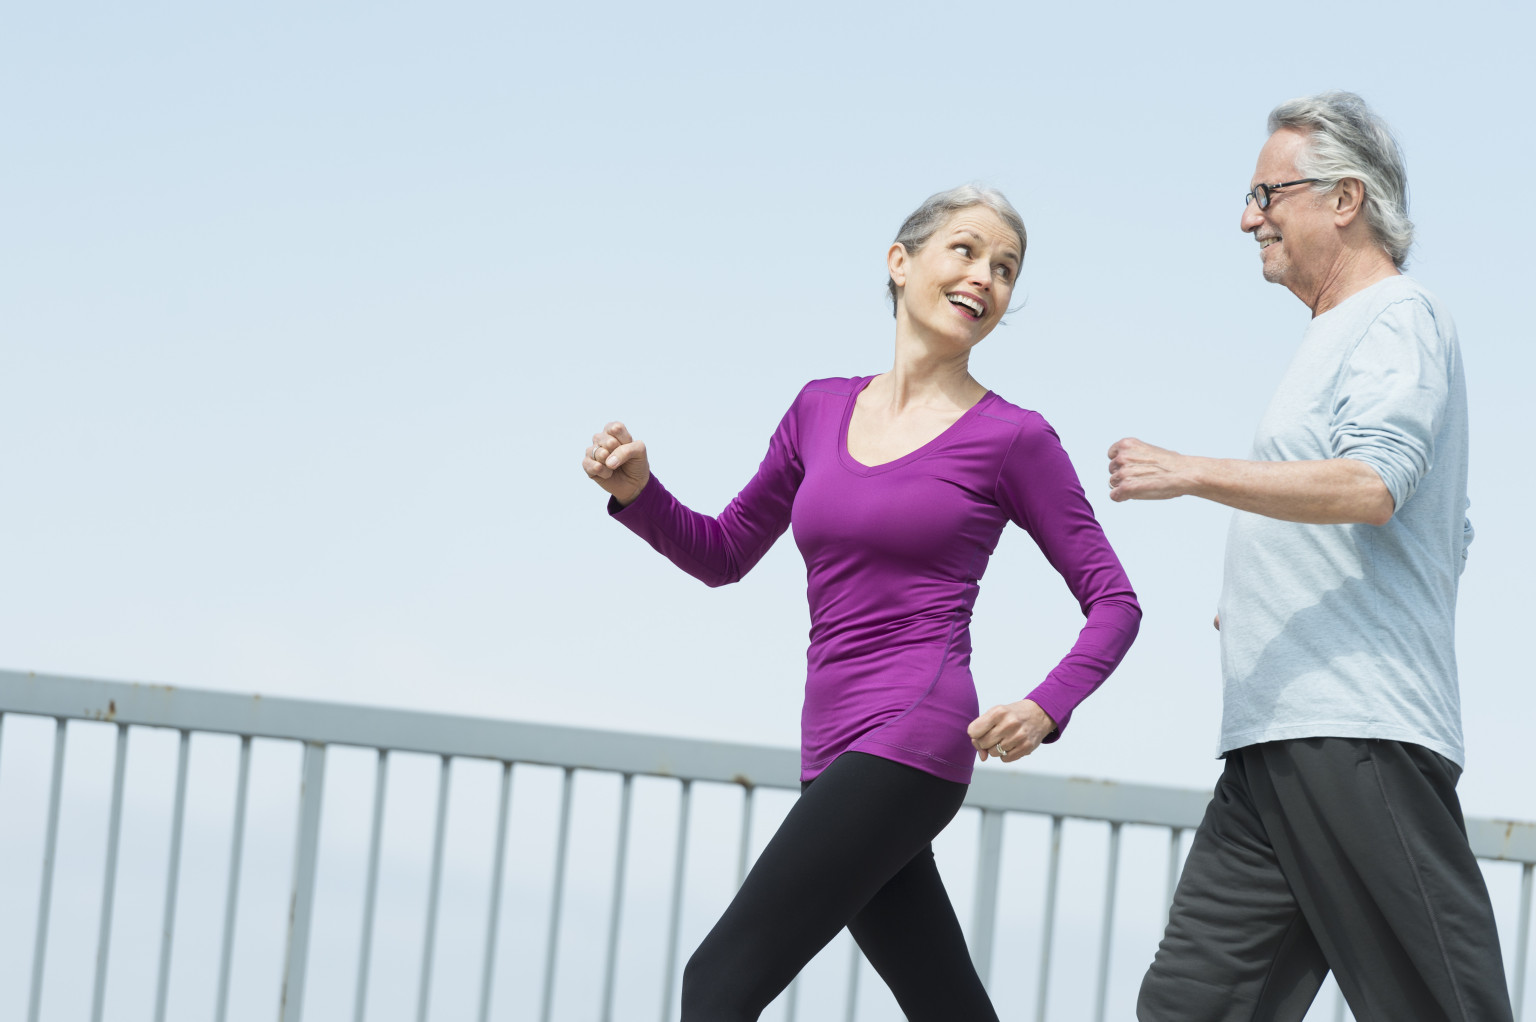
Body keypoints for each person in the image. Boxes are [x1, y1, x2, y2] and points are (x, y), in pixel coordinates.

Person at [582, 184, 1141, 1020]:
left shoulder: (1013, 438)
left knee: (718, 983)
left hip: (912, 736)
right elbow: (726, 553)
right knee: (946, 1004)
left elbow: (1115, 599)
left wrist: (1046, 706)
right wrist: (642, 495)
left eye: (1006, 267)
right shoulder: (819, 408)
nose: (985, 277)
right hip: (829, 747)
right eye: (966, 249)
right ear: (900, 261)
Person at [1114, 92, 1513, 1021]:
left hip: (1356, 730)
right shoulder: (1331, 336)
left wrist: (1192, 473)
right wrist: (1265, 583)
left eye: (1267, 193)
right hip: (1269, 742)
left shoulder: (1398, 315)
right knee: (1188, 1009)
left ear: (1345, 198)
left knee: (1439, 1005)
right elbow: (1444, 532)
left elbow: (1376, 485)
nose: (1247, 218)